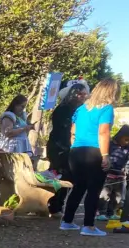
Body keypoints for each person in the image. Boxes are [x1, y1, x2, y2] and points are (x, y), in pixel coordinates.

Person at [60, 78, 121, 237]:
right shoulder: (106, 108)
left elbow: (73, 132)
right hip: (94, 151)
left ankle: (67, 221)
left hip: (76, 151)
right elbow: (103, 132)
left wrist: (74, 147)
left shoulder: (81, 109)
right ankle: (88, 226)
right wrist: (105, 155)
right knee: (94, 189)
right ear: (111, 92)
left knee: (78, 187)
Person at [46, 82, 88, 217]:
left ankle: (58, 205)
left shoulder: (80, 110)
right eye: (79, 94)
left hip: (71, 147)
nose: (81, 97)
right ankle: (53, 205)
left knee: (69, 178)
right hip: (59, 147)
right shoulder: (63, 109)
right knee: (59, 176)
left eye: (83, 94)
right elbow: (62, 130)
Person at [98, 125, 129, 221]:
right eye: (125, 139)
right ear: (120, 136)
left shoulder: (128, 148)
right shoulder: (110, 145)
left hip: (120, 175)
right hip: (108, 174)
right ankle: (101, 212)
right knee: (105, 193)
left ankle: (111, 212)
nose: (127, 142)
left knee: (117, 196)